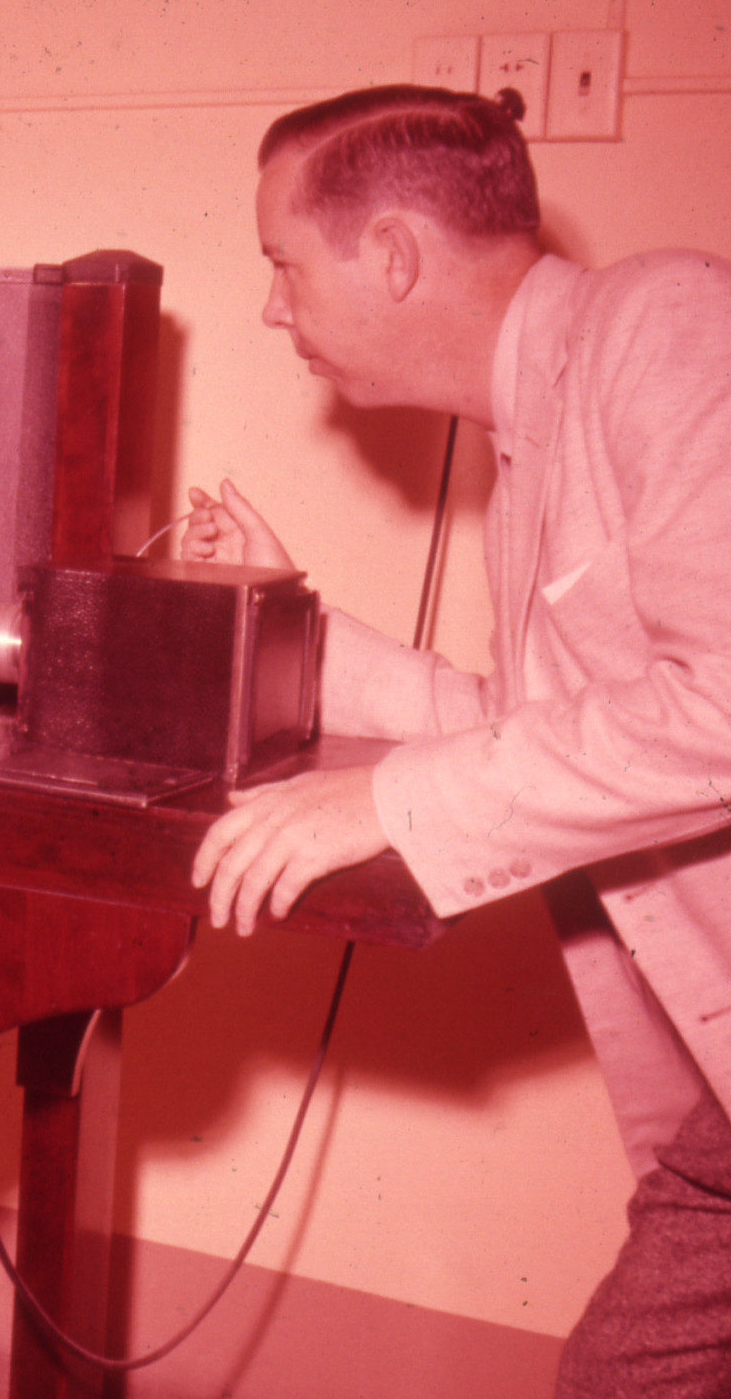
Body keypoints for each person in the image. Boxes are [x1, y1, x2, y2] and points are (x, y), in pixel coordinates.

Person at [183, 85, 731, 1395]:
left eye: (281, 264)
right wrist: (288, 636)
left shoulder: (668, 323)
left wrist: (386, 805)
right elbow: (534, 733)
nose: (271, 307)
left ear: (392, 256)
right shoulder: (537, 427)